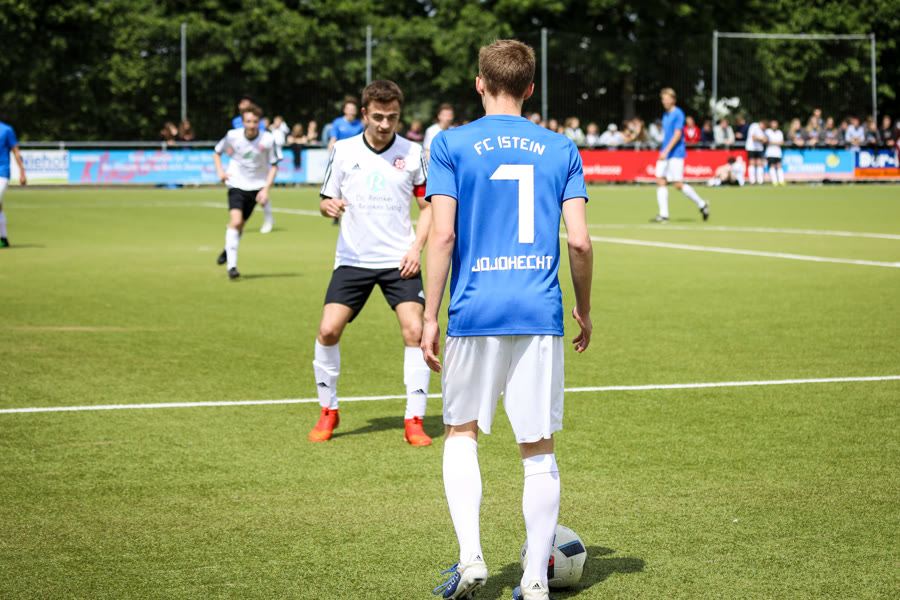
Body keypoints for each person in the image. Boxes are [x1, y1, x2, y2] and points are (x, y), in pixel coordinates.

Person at [423, 39, 593, 600]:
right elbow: (580, 242)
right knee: (538, 449)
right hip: (538, 311)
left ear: (479, 83)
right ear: (530, 88)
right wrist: (583, 307)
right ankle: (535, 581)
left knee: (461, 432)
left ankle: (472, 558)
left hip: (474, 310)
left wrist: (429, 316)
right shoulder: (561, 147)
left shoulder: (450, 143)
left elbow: (442, 235)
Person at [309, 79, 433, 447]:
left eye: (392, 117)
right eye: (378, 116)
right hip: (353, 259)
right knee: (328, 330)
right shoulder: (343, 150)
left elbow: (428, 208)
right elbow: (325, 200)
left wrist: (416, 249)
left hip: (400, 260)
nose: (385, 124)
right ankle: (328, 409)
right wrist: (328, 206)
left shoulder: (413, 152)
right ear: (364, 113)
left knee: (415, 331)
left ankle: (414, 419)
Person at [212, 103, 280, 279]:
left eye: (255, 122)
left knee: (240, 227)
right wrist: (220, 172)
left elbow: (274, 165)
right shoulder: (232, 136)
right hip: (236, 184)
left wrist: (266, 189)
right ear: (242, 122)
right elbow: (217, 152)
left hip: (256, 187)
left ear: (259, 122)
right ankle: (232, 267)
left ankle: (227, 250)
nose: (251, 125)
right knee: (235, 222)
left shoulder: (268, 139)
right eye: (248, 121)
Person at [651, 88, 709, 223]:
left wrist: (666, 151)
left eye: (667, 99)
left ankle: (702, 204)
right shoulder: (665, 115)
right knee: (661, 181)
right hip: (665, 153)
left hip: (675, 153)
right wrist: (663, 151)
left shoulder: (678, 113)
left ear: (673, 100)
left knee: (678, 184)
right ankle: (663, 214)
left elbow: (677, 135)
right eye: (663, 99)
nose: (664, 101)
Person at [230, 95, 275, 233]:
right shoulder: (236, 122)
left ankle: (268, 217)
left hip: (259, 159)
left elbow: (262, 137)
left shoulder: (258, 121)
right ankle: (236, 224)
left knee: (262, 189)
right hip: (244, 162)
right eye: (242, 103)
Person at [0, 116, 27, 248]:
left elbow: (16, 151)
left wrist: (22, 172)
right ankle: (3, 238)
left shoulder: (6, 129)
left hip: (2, 172)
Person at [745, 118, 767, 184]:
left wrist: (761, 139)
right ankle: (752, 180)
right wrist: (761, 139)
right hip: (751, 148)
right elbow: (754, 137)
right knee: (752, 163)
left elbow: (765, 140)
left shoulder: (764, 130)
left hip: (759, 148)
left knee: (759, 163)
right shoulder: (754, 126)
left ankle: (760, 180)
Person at [764, 119, 785, 186]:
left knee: (779, 166)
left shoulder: (779, 132)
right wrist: (776, 142)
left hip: (778, 153)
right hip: (770, 153)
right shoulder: (767, 131)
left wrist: (773, 142)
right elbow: (767, 141)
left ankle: (781, 181)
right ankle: (774, 181)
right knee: (772, 166)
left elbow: (781, 142)